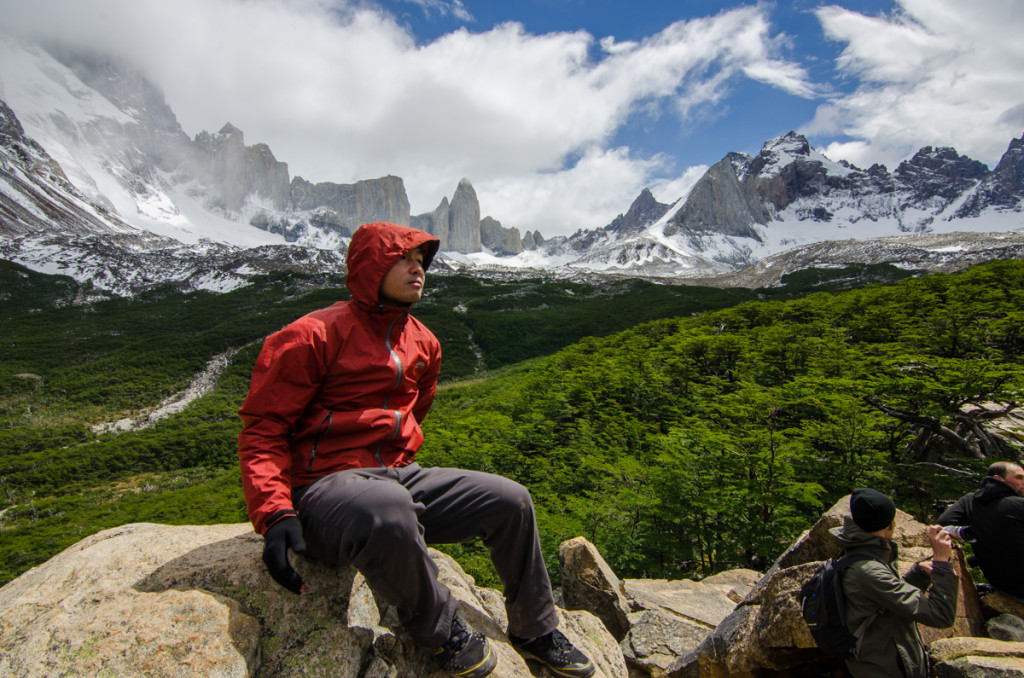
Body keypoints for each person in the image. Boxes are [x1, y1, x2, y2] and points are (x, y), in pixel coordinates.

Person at [237, 221, 594, 678]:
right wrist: (275, 513)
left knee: (512, 500)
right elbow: (263, 429)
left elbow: (414, 414)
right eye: (404, 258)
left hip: (396, 478)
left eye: (422, 260)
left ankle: (535, 628)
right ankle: (442, 630)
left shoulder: (424, 342)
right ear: (372, 267)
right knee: (387, 506)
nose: (418, 268)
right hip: (323, 490)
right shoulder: (311, 335)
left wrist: (397, 464)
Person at [830, 488, 959, 678]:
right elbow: (941, 616)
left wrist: (918, 575)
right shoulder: (868, 569)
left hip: (879, 664)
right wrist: (942, 563)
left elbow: (887, 601)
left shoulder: (860, 553)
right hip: (883, 669)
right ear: (888, 525)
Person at [938, 461, 1024, 597]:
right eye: (1019, 478)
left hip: (1002, 584)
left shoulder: (970, 501)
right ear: (998, 479)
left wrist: (972, 533)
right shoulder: (1019, 505)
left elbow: (943, 524)